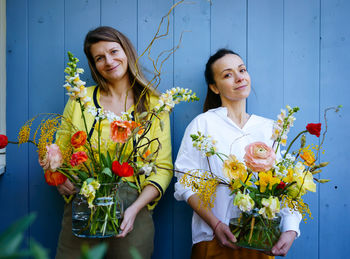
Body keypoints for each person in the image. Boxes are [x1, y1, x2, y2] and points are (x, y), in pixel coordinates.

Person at [55, 26, 173, 259]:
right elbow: (59, 151)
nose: (109, 61)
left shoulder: (154, 104)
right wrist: (59, 176)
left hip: (132, 210)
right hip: (83, 206)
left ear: (127, 52)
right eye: (100, 58)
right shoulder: (80, 99)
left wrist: (135, 209)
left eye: (113, 51)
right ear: (93, 65)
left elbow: (163, 167)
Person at [174, 49, 301, 259]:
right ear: (214, 87)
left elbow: (286, 183)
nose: (239, 77)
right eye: (227, 74)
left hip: (261, 239)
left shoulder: (271, 128)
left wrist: (290, 229)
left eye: (242, 70)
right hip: (215, 241)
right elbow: (185, 182)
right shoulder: (203, 125)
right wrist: (215, 224)